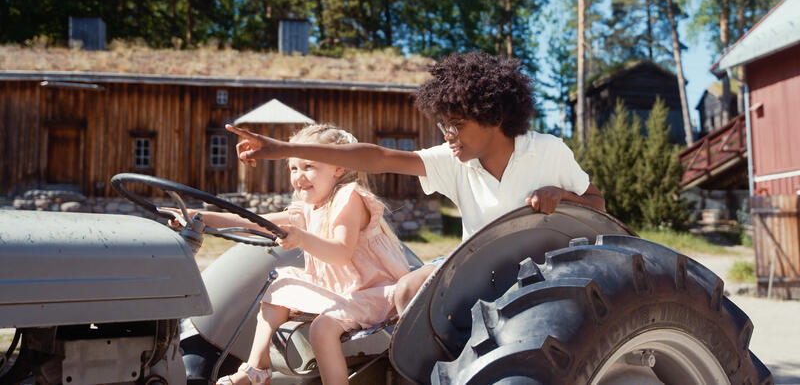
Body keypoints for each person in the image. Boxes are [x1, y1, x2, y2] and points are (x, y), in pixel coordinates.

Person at [226, 51, 605, 316]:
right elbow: (378, 157)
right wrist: (280, 148)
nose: (448, 134)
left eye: (457, 124)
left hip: (542, 270)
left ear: (492, 115)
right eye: (444, 125)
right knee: (407, 290)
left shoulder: (547, 151)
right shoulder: (453, 161)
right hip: (479, 266)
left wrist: (562, 195)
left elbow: (597, 204)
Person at [175, 124, 410, 385]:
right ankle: (257, 368)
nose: (299, 176)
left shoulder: (349, 197)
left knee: (322, 329)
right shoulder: (308, 208)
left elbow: (340, 252)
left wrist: (302, 238)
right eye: (293, 168)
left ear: (338, 167)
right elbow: (252, 222)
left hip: (376, 293)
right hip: (344, 292)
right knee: (282, 282)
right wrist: (197, 217)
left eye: (309, 166)